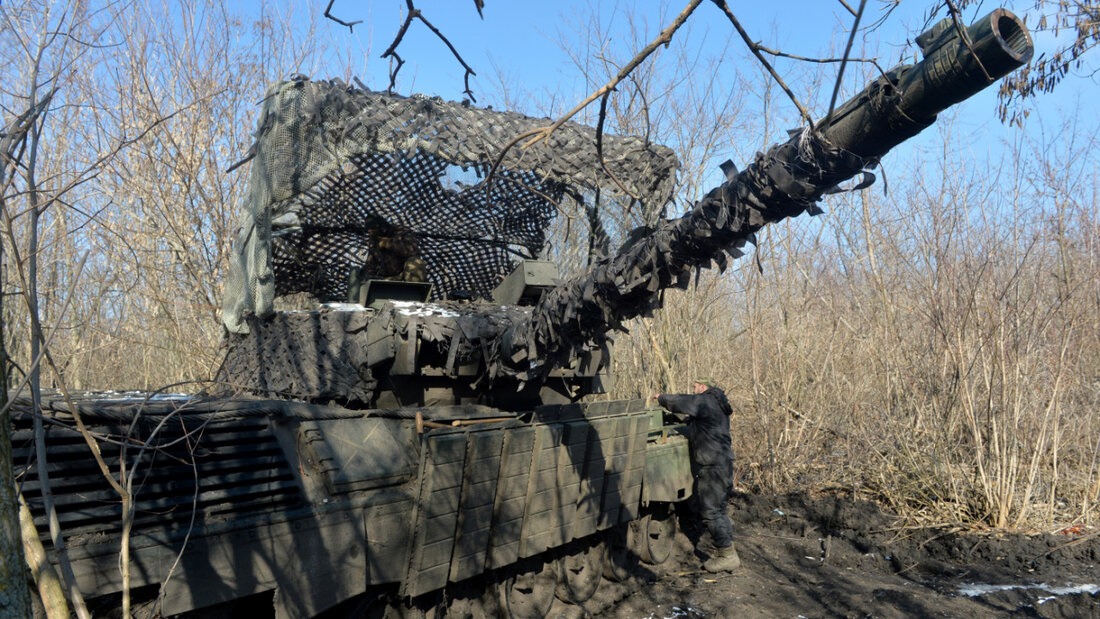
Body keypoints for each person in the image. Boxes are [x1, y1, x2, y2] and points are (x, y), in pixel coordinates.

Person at [654, 377, 741, 572]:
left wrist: (662, 398)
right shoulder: (716, 403)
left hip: (713, 466)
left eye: (695, 385)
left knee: (711, 512)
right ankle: (728, 550)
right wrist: (692, 423)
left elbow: (683, 402)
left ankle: (727, 556)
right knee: (718, 510)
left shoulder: (706, 401)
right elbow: (705, 422)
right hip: (722, 463)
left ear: (703, 386)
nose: (693, 388)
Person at [362, 215, 427, 283]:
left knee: (415, 262)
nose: (370, 231)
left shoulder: (401, 231)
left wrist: (388, 243)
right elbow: (371, 263)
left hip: (405, 275)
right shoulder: (373, 239)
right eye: (368, 229)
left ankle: (414, 291)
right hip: (387, 279)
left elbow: (413, 250)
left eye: (373, 228)